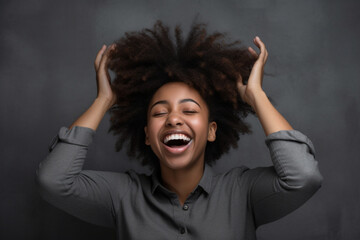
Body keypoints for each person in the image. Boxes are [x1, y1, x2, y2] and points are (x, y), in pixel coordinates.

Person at [35, 20, 323, 239]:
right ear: (147, 135)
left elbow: (304, 177)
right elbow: (53, 181)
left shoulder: (243, 192)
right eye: (160, 112)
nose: (173, 119)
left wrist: (256, 96)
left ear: (211, 131)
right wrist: (103, 100)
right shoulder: (122, 195)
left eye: (189, 110)